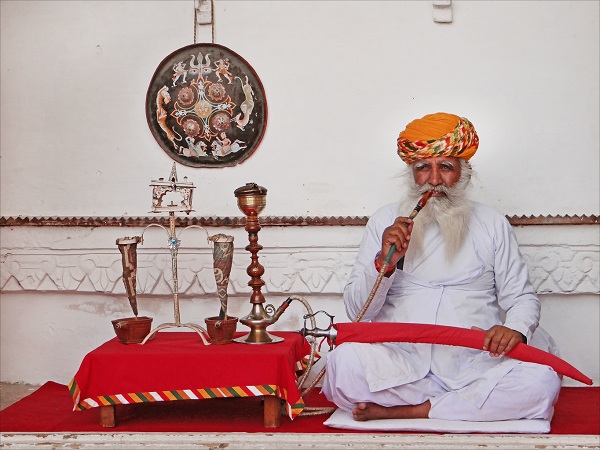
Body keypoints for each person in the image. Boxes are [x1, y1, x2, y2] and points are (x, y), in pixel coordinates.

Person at [322, 112, 561, 422]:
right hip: (403, 367)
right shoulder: (385, 221)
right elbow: (360, 313)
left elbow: (522, 298)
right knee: (344, 363)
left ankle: (414, 411)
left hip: (475, 366)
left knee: (540, 381)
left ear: (463, 173)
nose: (434, 180)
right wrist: (384, 263)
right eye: (423, 168)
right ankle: (453, 409)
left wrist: (513, 329)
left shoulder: (491, 224)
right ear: (412, 174)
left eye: (445, 167)